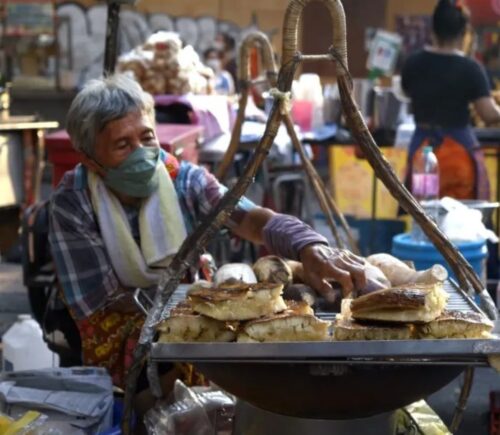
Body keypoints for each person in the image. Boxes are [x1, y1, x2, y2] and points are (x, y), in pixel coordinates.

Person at [48, 74, 372, 421]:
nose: (142, 154)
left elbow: (249, 219)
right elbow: (103, 301)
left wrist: (307, 244)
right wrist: (201, 301)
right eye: (123, 145)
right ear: (91, 159)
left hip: (188, 306)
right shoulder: (73, 202)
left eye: (147, 137)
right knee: (158, 373)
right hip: (114, 321)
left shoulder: (183, 180)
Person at [402, 0, 500, 200]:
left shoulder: (413, 63)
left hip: (423, 152)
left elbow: (406, 93)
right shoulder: (470, 68)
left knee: (424, 214)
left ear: (433, 30)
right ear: (464, 33)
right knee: (460, 221)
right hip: (458, 155)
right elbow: (489, 114)